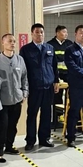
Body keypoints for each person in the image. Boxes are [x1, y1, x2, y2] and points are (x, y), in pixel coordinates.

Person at [20, 23, 59, 151]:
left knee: (46, 114)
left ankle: (44, 138)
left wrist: (56, 81)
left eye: (41, 32)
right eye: (37, 32)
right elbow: (23, 70)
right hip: (34, 87)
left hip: (48, 87)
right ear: (32, 34)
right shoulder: (26, 49)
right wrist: (24, 88)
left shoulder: (50, 48)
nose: (39, 34)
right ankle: (30, 140)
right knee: (32, 114)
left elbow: (54, 66)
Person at [0, 33, 28, 154]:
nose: (12, 43)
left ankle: (9, 145)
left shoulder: (20, 59)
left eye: (14, 41)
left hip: (17, 98)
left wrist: (24, 93)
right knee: (2, 125)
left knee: (13, 125)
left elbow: (24, 77)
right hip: (2, 99)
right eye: (9, 41)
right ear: (3, 43)